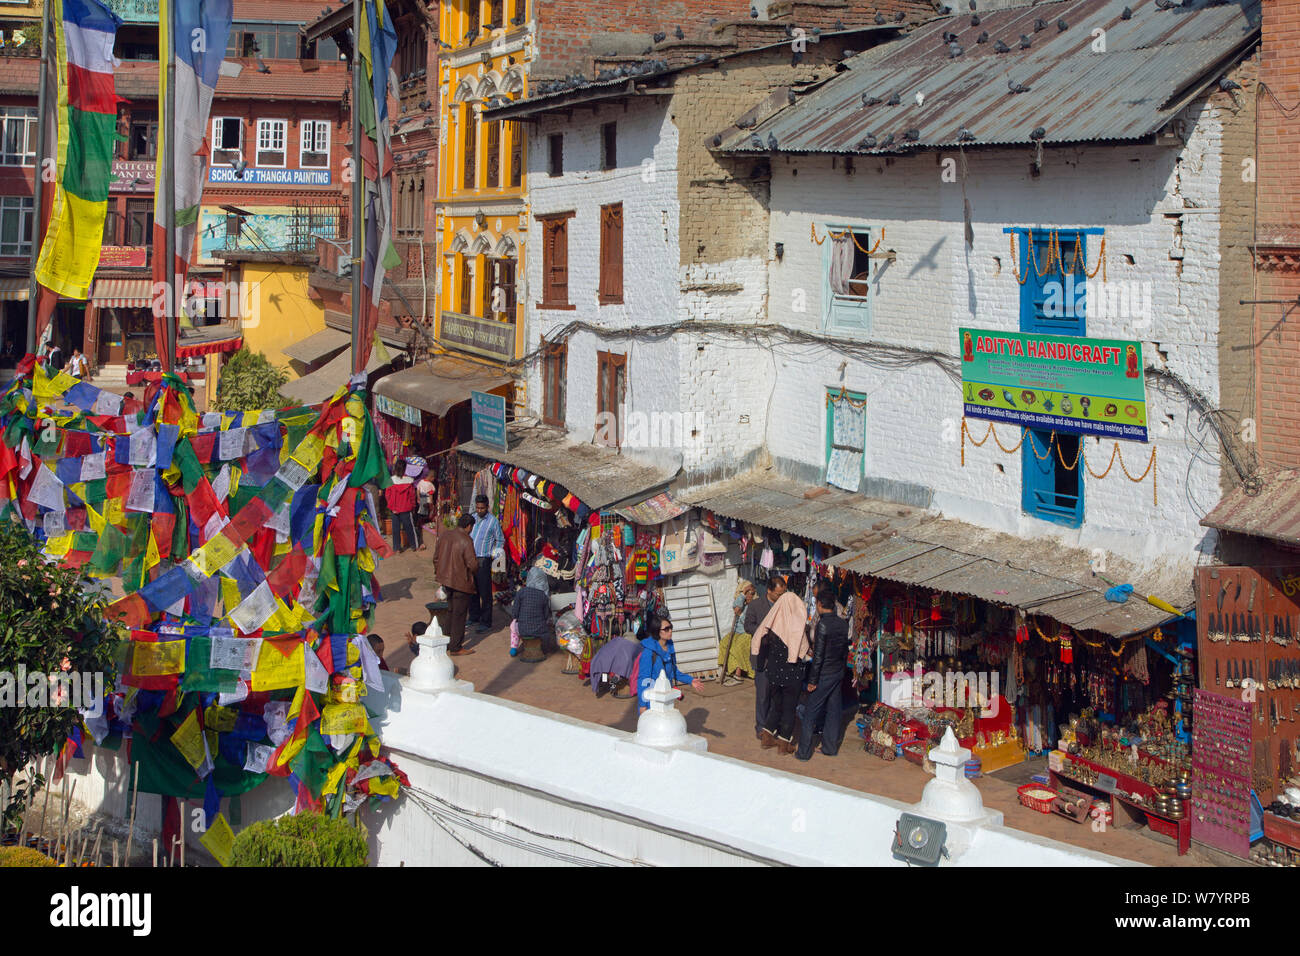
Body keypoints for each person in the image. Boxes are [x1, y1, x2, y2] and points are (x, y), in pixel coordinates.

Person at [751, 585, 810, 755]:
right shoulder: (797, 628)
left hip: (774, 673)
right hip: (791, 674)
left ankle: (767, 737)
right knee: (789, 708)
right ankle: (784, 743)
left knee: (777, 705)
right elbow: (802, 649)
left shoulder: (772, 625)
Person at [796, 585, 850, 760]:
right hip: (837, 672)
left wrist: (813, 680)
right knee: (834, 711)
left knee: (810, 712)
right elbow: (844, 651)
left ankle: (803, 752)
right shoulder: (842, 624)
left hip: (825, 673)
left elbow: (818, 656)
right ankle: (829, 747)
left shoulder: (822, 625)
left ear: (819, 604)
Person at [433, 513, 479, 656]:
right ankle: (456, 647)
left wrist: (440, 573)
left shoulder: (445, 536)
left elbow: (435, 558)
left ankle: (446, 643)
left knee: (451, 611)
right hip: (460, 582)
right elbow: (472, 564)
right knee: (459, 615)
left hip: (446, 580)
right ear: (469, 526)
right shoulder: (466, 540)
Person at [747, 575, 785, 740]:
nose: (780, 597)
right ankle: (761, 727)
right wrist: (764, 631)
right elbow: (748, 625)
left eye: (782, 594)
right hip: (762, 656)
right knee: (763, 695)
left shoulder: (784, 606)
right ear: (769, 590)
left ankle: (772, 726)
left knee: (776, 695)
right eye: (778, 594)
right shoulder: (756, 605)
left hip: (779, 658)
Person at [636, 615, 697, 710]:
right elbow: (643, 680)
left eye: (671, 627)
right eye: (666, 629)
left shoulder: (669, 647)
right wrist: (642, 705)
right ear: (657, 631)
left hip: (666, 698)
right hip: (651, 702)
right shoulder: (648, 653)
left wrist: (690, 680)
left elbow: (673, 671)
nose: (670, 631)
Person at [469, 493, 504, 632]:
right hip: (470, 559)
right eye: (477, 508)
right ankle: (474, 616)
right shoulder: (472, 518)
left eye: (482, 508)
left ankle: (486, 621)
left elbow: (500, 539)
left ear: (487, 507)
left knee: (485, 592)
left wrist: (494, 554)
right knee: (472, 590)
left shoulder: (493, 521)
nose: (479, 510)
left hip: (484, 559)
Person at [719, 578, 757, 686]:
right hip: (737, 632)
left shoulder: (755, 605)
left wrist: (741, 614)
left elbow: (749, 623)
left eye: (751, 594)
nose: (749, 596)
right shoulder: (742, 602)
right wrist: (743, 594)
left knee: (737, 648)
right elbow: (735, 606)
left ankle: (738, 675)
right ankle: (725, 671)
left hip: (747, 633)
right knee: (724, 643)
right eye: (747, 594)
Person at [510, 566, 552, 661]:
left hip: (523, 629)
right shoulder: (543, 596)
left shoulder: (521, 592)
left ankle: (513, 647)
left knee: (513, 626)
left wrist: (516, 618)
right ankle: (544, 649)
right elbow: (546, 615)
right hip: (540, 630)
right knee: (546, 627)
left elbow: (515, 612)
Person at [383, 463, 421, 553]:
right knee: (409, 528)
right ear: (405, 469)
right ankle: (414, 546)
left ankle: (397, 548)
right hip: (406, 508)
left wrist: (391, 506)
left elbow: (387, 495)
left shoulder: (391, 480)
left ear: (395, 469)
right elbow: (412, 496)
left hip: (394, 509)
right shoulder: (409, 481)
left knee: (395, 529)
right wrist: (413, 506)